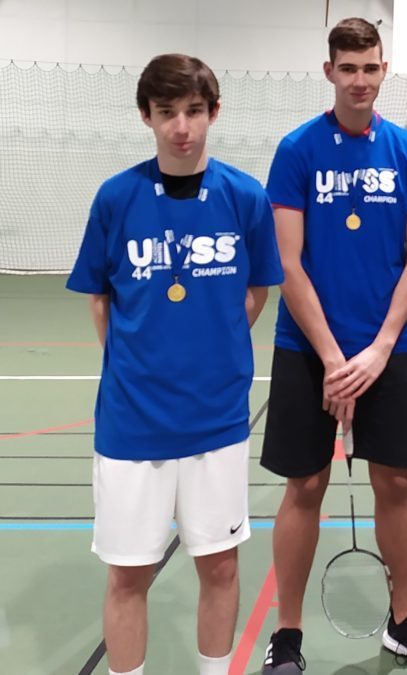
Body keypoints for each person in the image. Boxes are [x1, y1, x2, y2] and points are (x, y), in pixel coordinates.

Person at [66, 53, 283, 675]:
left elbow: (255, 294)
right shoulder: (116, 198)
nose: (181, 127)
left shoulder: (245, 198)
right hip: (133, 424)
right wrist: (145, 363)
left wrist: (208, 348)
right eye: (167, 113)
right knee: (128, 574)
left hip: (215, 419)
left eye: (193, 111)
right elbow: (102, 302)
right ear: (147, 116)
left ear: (214, 113)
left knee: (219, 564)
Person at [258, 17, 407, 675]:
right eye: (349, 68)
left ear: (384, 70)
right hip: (306, 347)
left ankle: (405, 620)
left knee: (394, 481)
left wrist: (377, 348)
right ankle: (286, 634)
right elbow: (287, 262)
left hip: (387, 348)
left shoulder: (406, 152)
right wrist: (335, 357)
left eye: (371, 68)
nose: (361, 80)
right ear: (329, 72)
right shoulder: (297, 151)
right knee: (305, 484)